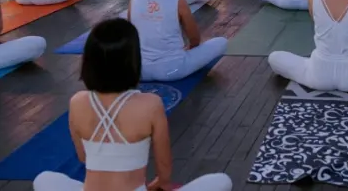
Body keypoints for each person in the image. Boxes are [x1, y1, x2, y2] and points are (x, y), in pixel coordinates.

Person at [32, 18, 233, 191]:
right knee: (221, 181)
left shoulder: (77, 102)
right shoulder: (151, 104)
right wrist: (159, 183)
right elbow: (164, 170)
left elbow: (84, 157)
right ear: (134, 61)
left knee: (44, 179)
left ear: (89, 62)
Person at [127, 0, 227, 82]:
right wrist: (188, 51)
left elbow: (130, 38)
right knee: (221, 42)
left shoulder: (134, 1)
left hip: (140, 71)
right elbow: (194, 39)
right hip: (173, 70)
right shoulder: (178, 1)